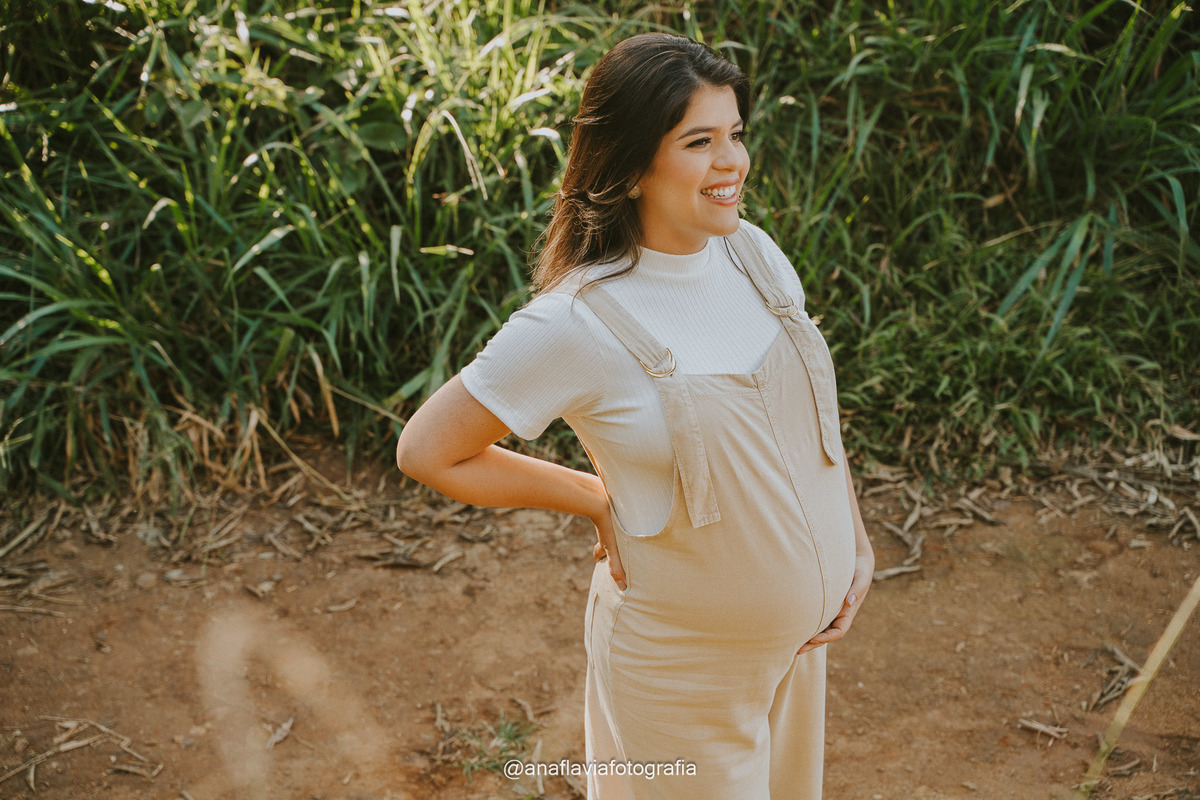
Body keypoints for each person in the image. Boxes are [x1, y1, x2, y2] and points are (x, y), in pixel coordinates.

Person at [396, 32, 874, 799]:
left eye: (736, 134)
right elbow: (428, 451)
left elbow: (808, 417)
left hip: (799, 651)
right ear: (630, 165)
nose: (733, 162)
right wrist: (593, 499)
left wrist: (852, 540)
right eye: (699, 142)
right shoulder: (575, 322)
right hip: (681, 673)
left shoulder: (754, 255)